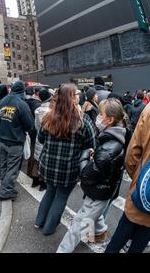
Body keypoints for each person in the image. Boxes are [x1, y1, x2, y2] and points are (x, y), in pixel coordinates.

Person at [57, 98, 128, 253]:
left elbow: (86, 174)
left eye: (101, 114)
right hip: (104, 190)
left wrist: (85, 155)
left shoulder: (108, 148)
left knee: (77, 225)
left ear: (110, 120)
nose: (98, 117)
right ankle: (99, 233)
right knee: (95, 213)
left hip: (98, 192)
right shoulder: (115, 137)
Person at [105, 94, 150, 253]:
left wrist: (138, 178)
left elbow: (132, 154)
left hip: (139, 190)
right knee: (139, 245)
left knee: (118, 240)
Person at [35, 84, 97, 235]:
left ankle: (39, 222)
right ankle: (49, 228)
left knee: (50, 192)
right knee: (61, 197)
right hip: (68, 169)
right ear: (71, 98)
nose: (79, 96)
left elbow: (41, 139)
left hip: (48, 166)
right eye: (76, 94)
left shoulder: (49, 117)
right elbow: (91, 146)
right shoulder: (83, 120)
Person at [0, 80, 34, 201]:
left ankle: (5, 187)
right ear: (22, 91)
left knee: (4, 165)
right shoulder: (22, 104)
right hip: (15, 141)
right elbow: (30, 124)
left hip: (2, 139)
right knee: (12, 168)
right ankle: (5, 192)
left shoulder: (1, 101)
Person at [32, 89, 52, 191]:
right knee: (45, 161)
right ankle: (43, 183)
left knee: (37, 160)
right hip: (47, 139)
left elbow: (36, 125)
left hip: (38, 137)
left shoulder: (38, 110)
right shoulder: (51, 112)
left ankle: (34, 180)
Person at [25, 86, 42, 181]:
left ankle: (29, 172)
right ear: (37, 93)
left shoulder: (27, 102)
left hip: (28, 130)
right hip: (34, 131)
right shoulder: (38, 105)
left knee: (30, 151)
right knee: (34, 153)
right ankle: (32, 173)